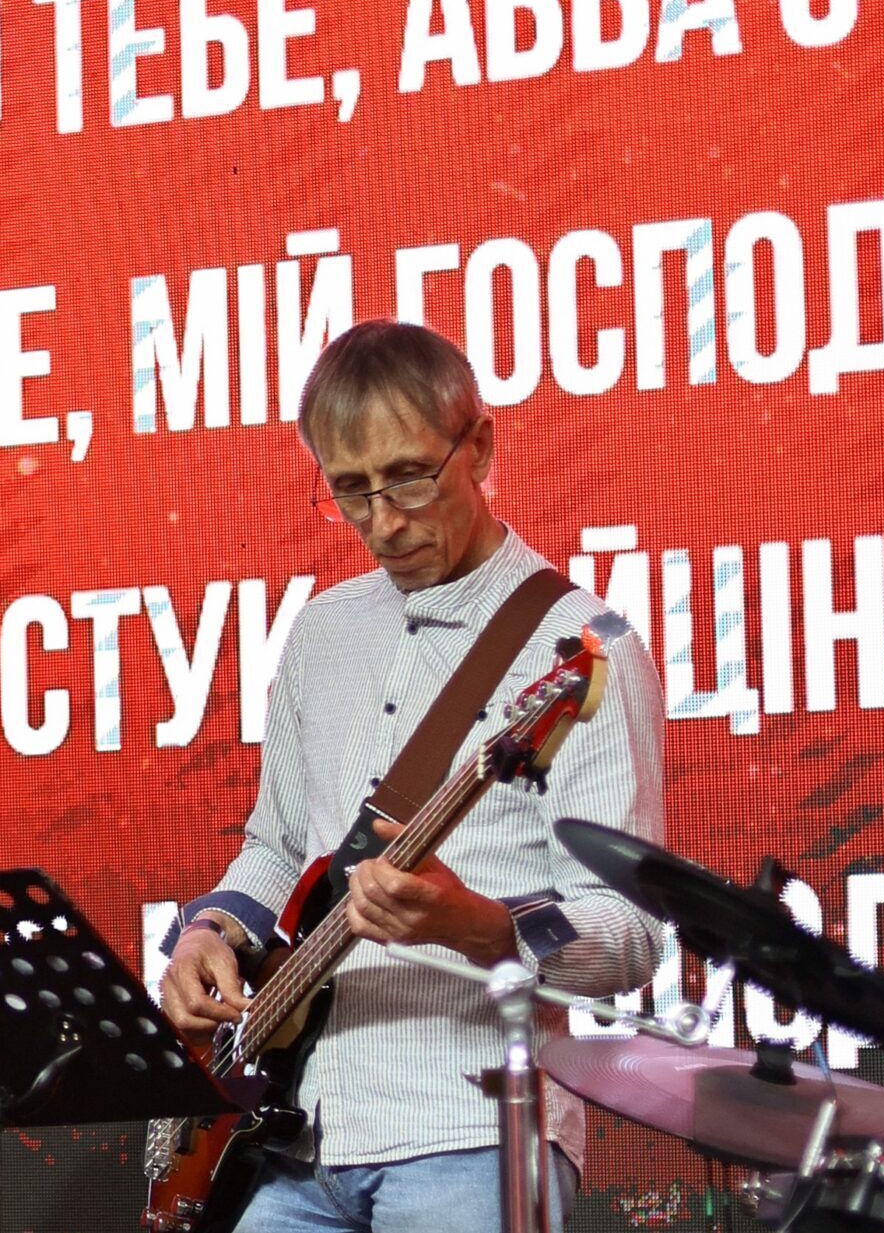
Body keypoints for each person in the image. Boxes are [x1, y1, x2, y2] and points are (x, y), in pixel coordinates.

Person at [157, 320, 664, 1233]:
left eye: (410, 477)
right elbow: (276, 846)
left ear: (482, 446)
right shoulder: (322, 631)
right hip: (296, 1135)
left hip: (474, 1129)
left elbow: (629, 933)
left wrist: (481, 925)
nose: (384, 522)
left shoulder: (582, 652)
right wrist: (210, 930)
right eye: (350, 490)